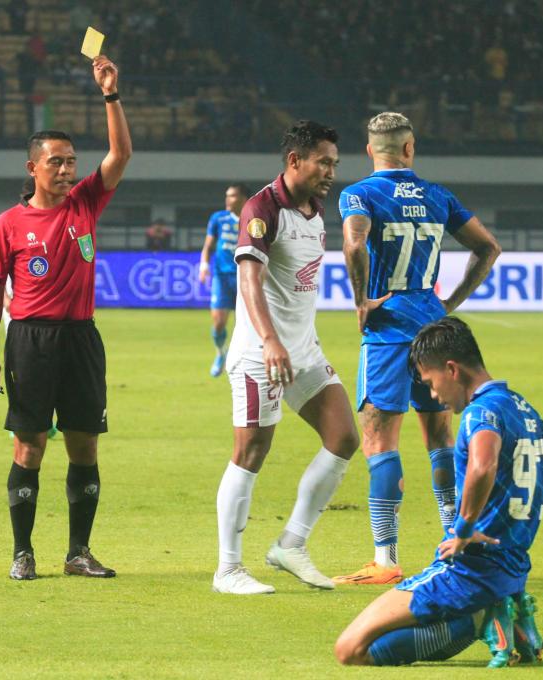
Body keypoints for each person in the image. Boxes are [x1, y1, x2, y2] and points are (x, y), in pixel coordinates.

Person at [334, 316, 543, 668]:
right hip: (511, 567)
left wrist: (464, 529)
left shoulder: (480, 413)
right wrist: (521, 511)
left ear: (451, 369)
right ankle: (495, 607)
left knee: (350, 650)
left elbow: (483, 464)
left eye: (430, 383)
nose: (433, 395)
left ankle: (478, 618)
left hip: (467, 571)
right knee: (375, 643)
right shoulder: (519, 406)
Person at [0, 55, 131, 581]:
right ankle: (23, 552)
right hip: (30, 340)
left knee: (84, 442)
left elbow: (121, 154)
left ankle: (78, 553)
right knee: (31, 443)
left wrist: (110, 94)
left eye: (71, 161)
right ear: (33, 168)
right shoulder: (10, 224)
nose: (67, 171)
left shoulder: (86, 202)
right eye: (56, 163)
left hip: (82, 338)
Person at [334, 112, 501, 586]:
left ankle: (385, 559)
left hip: (387, 330)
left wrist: (361, 299)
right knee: (440, 438)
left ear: (371, 151)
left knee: (379, 441)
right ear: (409, 149)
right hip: (433, 327)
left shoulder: (360, 194)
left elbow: (353, 245)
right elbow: (488, 247)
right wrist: (449, 302)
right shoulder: (438, 195)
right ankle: (454, 541)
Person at [212, 120, 360, 595]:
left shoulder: (316, 210)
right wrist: (271, 339)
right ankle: (228, 569)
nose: (331, 172)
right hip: (262, 353)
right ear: (295, 161)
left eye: (335, 164)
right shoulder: (262, 208)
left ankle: (290, 545)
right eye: (324, 162)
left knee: (342, 438)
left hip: (304, 351)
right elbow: (249, 280)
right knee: (251, 452)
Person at [198, 183, 248, 377]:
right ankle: (221, 353)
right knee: (219, 322)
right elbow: (208, 245)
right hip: (220, 276)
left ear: (243, 198)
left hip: (244, 277)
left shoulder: (252, 218)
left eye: (233, 196)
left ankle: (242, 359)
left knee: (244, 324)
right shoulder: (218, 218)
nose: (228, 199)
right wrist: (204, 265)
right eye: (227, 195)